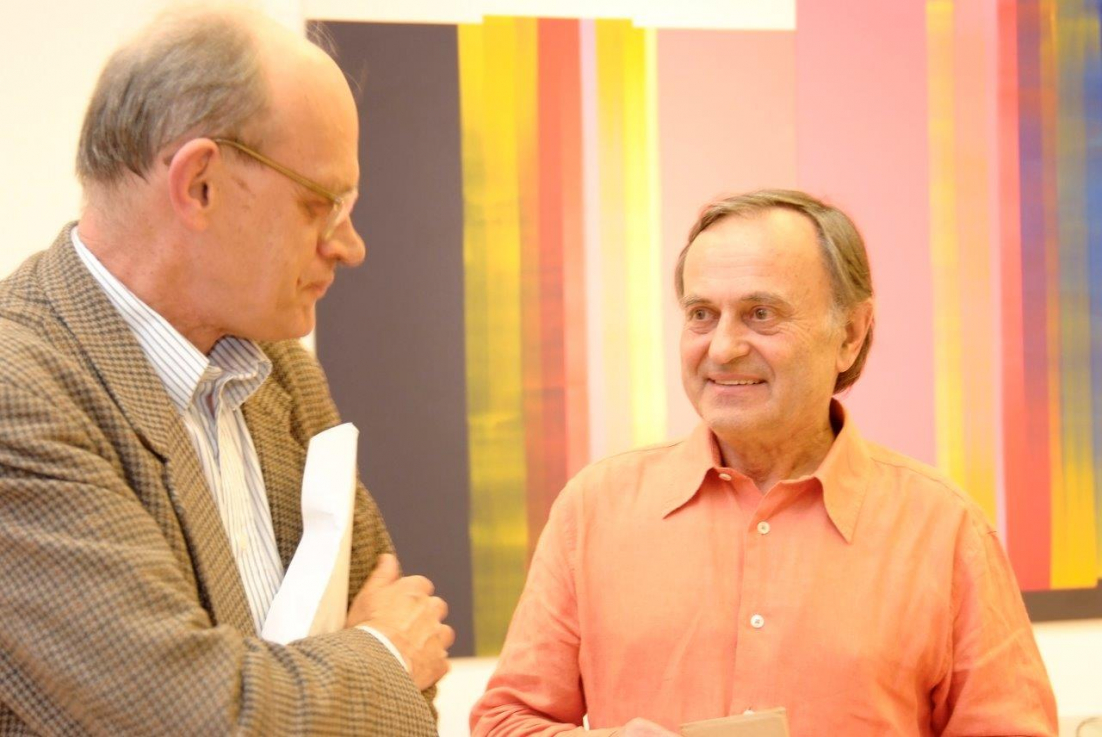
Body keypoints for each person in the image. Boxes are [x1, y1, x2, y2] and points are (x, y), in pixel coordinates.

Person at [0, 6, 453, 734]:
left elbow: (411, 673)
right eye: (321, 204)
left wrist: (384, 662)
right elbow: (196, 717)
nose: (350, 246)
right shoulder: (18, 393)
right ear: (200, 185)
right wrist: (381, 656)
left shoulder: (281, 374)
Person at [471, 190, 1057, 736]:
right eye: (701, 314)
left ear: (850, 335)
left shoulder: (946, 530)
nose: (723, 348)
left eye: (760, 313)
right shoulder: (594, 509)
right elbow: (507, 721)